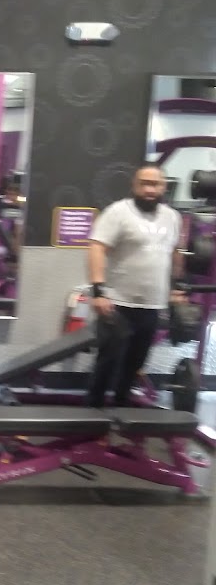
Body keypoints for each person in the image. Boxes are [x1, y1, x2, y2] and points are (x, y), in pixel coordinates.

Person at [86, 165, 185, 409]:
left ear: (164, 187)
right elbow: (97, 248)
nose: (150, 189)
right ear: (134, 186)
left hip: (152, 304)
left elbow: (174, 251)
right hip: (117, 302)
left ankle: (122, 408)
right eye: (144, 184)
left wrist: (175, 287)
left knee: (136, 361)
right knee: (109, 359)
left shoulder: (172, 217)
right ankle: (93, 409)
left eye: (155, 184)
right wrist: (98, 291)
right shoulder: (118, 212)